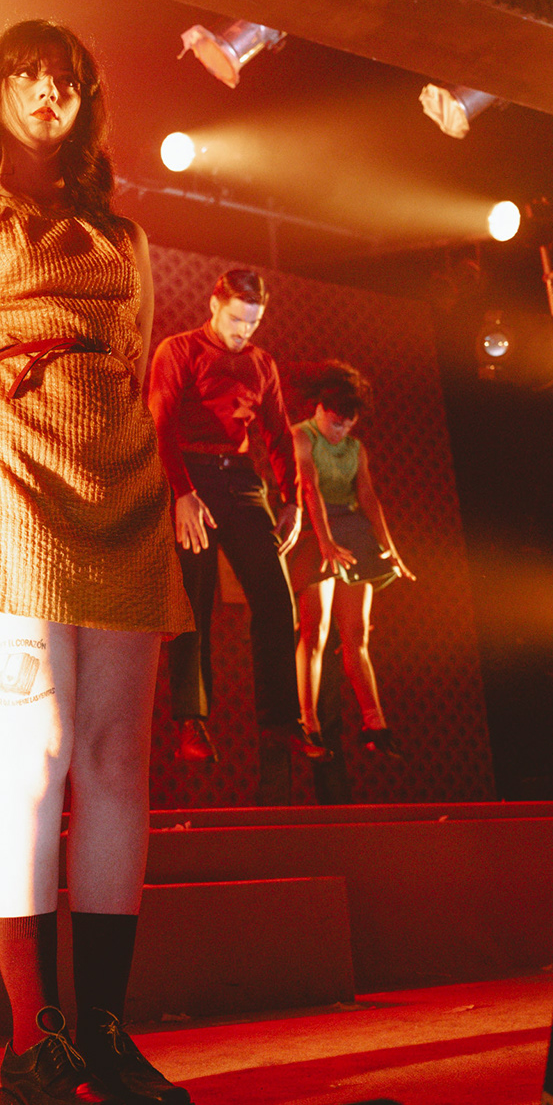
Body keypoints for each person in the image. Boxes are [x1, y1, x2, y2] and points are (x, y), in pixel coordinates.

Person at [0, 19, 194, 1105]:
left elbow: (136, 356)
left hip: (118, 470)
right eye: (27, 75)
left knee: (118, 757)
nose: (46, 92)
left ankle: (107, 1032)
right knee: (37, 744)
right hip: (9, 467)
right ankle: (33, 1040)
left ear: (86, 101)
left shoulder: (125, 234)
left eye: (66, 79)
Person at [148, 268, 325, 803]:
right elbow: (159, 424)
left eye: (251, 323)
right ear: (214, 305)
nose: (241, 331)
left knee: (275, 598)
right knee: (193, 600)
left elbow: (277, 432)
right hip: (190, 473)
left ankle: (281, 720)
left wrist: (291, 500)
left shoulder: (261, 363)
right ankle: (191, 723)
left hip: (240, 479)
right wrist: (181, 493)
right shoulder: (179, 350)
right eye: (235, 320)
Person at [288, 362, 414, 798]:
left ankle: (375, 724)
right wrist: (324, 542)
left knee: (357, 635)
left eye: (348, 423)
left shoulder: (356, 449)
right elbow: (309, 488)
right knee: (315, 632)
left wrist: (390, 549)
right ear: (319, 408)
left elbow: (367, 495)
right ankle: (308, 723)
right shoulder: (302, 435)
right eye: (335, 421)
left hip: (353, 530)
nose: (340, 430)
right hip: (314, 529)